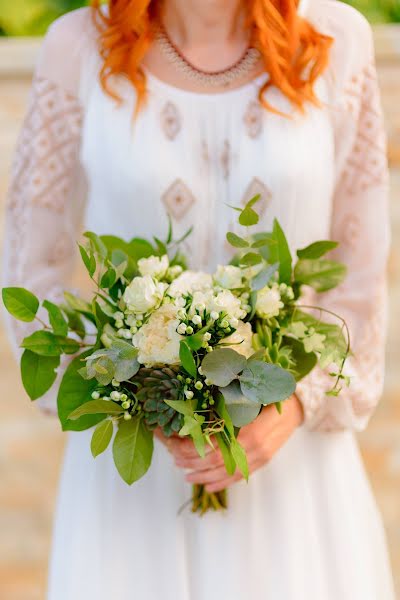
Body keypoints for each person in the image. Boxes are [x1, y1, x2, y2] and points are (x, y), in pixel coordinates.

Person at [2, 0, 395, 598]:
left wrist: (293, 405)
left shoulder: (334, 38)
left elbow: (357, 269)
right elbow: (33, 265)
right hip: (139, 473)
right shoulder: (78, 45)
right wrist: (132, 393)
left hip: (294, 468)